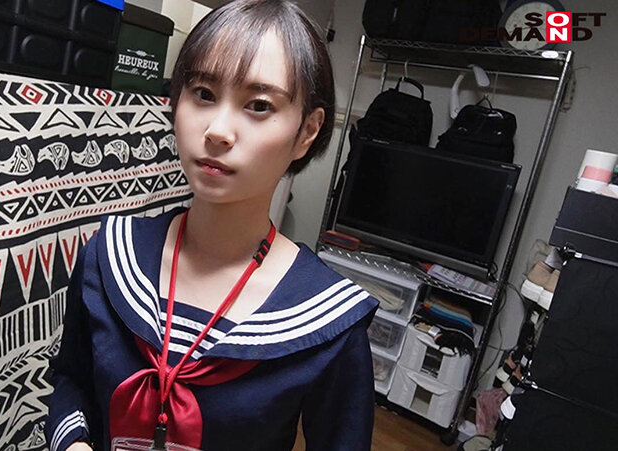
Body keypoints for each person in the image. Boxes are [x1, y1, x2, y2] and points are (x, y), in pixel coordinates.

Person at [45, 1, 379, 450]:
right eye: (203, 93)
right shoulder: (109, 255)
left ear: (307, 132)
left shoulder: (329, 319)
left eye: (258, 105)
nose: (218, 130)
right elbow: (71, 380)